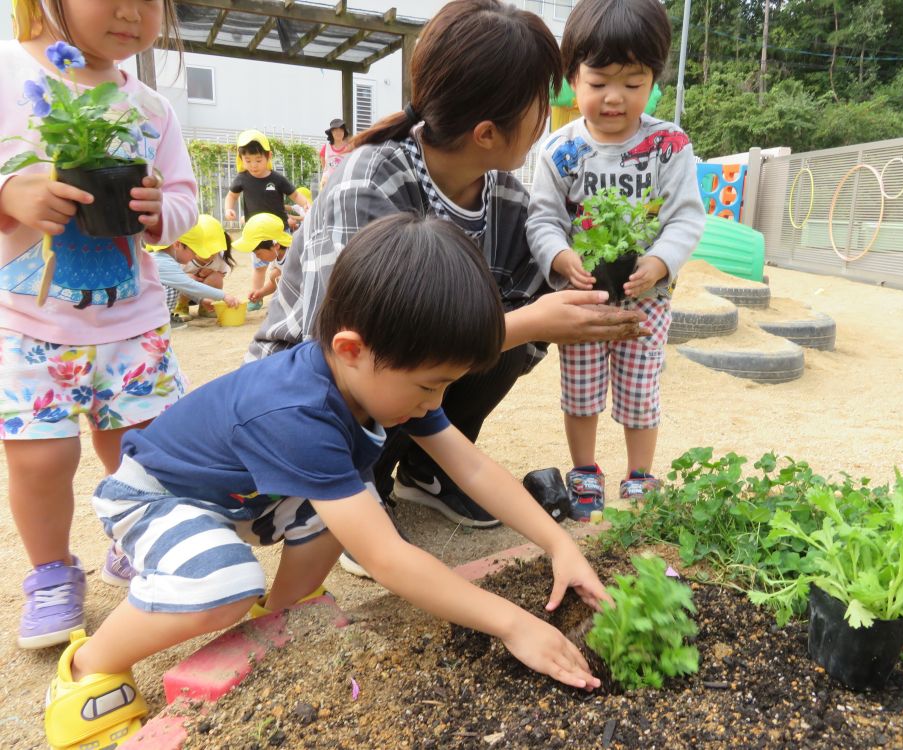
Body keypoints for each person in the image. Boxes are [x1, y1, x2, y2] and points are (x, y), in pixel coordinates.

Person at [43, 214, 608, 749]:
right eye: (431, 387)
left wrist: (558, 543)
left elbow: (473, 466)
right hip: (156, 496)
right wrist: (512, 624)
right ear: (352, 349)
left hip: (243, 496)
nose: (435, 404)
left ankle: (283, 617)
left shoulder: (387, 379)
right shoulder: (300, 411)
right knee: (223, 586)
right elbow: (385, 559)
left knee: (341, 509)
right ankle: (90, 669)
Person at [249, 0, 648, 554]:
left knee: (513, 332)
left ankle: (423, 470)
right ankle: (352, 488)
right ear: (487, 132)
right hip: (322, 381)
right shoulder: (371, 178)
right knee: (510, 327)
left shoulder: (504, 196)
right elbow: (345, 345)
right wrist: (530, 322)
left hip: (403, 379)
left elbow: (549, 291)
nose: (545, 119)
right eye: (539, 105)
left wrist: (614, 277)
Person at [0, 0, 196, 649]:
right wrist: (9, 195)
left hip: (132, 323)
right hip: (27, 322)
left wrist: (158, 211)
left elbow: (184, 200)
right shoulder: (7, 73)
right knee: (41, 458)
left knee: (144, 453)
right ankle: (53, 574)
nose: (131, 10)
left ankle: (135, 542)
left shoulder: (151, 107)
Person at [526, 0, 705, 520]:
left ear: (654, 79)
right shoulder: (560, 150)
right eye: (600, 80)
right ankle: (585, 471)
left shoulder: (668, 145)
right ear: (573, 78)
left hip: (644, 299)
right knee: (579, 391)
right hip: (581, 298)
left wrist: (661, 261)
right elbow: (541, 220)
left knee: (639, 389)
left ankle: (639, 475)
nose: (614, 97)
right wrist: (560, 258)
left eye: (633, 82)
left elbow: (687, 218)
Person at [223, 129, 310, 309]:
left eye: (258, 160)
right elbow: (231, 196)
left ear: (268, 156)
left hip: (279, 230)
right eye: (248, 161)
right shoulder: (242, 179)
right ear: (241, 159)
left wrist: (306, 205)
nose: (253, 165)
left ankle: (289, 295)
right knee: (259, 266)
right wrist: (228, 209)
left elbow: (294, 195)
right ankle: (257, 297)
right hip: (255, 232)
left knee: (287, 264)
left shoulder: (276, 179)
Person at [147, 214, 241, 328]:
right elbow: (188, 284)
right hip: (143, 311)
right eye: (194, 251)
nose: (196, 255)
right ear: (177, 244)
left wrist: (201, 300)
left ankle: (163, 317)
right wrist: (224, 296)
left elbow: (184, 285)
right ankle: (160, 320)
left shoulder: (166, 259)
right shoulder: (163, 262)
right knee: (171, 288)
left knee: (174, 286)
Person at [233, 212, 292, 308]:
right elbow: (273, 283)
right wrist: (261, 293)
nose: (258, 257)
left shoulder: (293, 254)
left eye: (259, 253)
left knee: (276, 275)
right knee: (274, 275)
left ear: (276, 246)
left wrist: (285, 280)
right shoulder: (275, 257)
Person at [318, 118, 352, 190]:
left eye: (341, 130)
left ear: (344, 132)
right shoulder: (326, 147)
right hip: (327, 182)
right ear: (331, 133)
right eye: (335, 130)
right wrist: (326, 174)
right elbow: (323, 164)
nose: (338, 133)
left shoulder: (349, 148)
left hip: (343, 182)